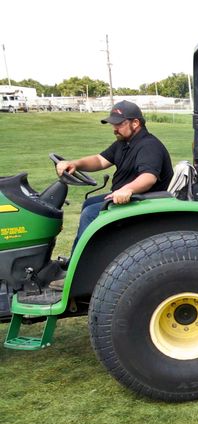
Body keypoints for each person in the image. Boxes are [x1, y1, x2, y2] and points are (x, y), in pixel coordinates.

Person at [51, 100, 173, 288]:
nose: (114, 128)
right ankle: (76, 261)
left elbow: (149, 178)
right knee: (89, 204)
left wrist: (128, 189)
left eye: (119, 124)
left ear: (135, 123)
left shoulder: (149, 146)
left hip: (146, 200)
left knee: (91, 213)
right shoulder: (124, 143)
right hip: (129, 197)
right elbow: (100, 161)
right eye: (113, 124)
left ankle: (77, 274)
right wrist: (75, 163)